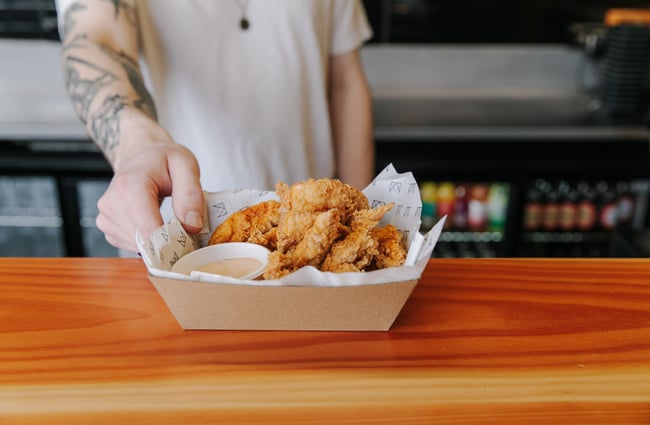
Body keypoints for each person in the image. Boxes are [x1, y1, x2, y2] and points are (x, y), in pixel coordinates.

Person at [55, 0, 375, 253]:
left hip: (313, 237)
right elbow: (95, 39)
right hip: (175, 240)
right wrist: (137, 145)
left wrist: (358, 220)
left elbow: (345, 82)